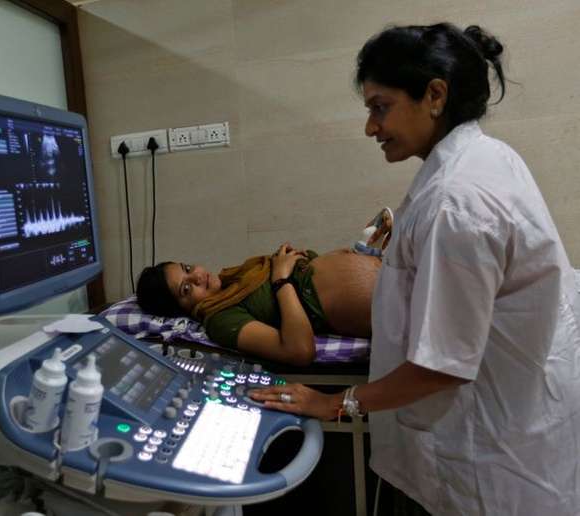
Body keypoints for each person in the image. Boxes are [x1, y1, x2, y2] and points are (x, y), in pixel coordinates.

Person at [250, 23, 580, 515]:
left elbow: (441, 365)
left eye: (379, 107)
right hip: (521, 414)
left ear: (435, 95)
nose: (370, 127)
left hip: (491, 451)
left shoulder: (457, 202)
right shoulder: (483, 159)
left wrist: (335, 404)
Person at [136, 245, 381, 366]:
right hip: (388, 302)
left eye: (188, 269)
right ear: (182, 310)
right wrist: (281, 278)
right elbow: (299, 351)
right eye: (187, 289)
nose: (198, 276)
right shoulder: (220, 319)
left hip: (391, 273)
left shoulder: (234, 279)